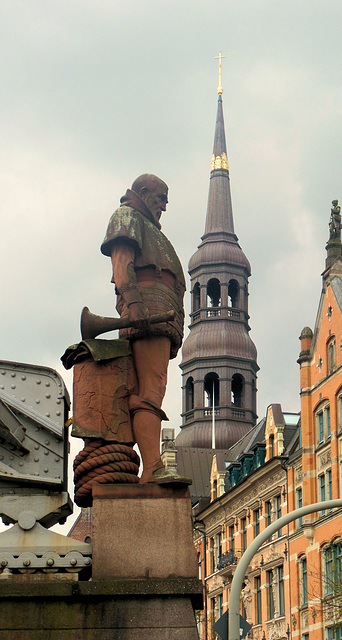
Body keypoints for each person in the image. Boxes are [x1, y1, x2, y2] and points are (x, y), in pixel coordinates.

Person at [101, 174, 186, 483]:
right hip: (148, 311)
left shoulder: (149, 227)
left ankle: (152, 465)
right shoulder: (127, 216)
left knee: (154, 391)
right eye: (160, 197)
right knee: (149, 393)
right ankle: (152, 467)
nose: (164, 204)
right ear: (143, 192)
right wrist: (134, 303)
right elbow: (121, 265)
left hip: (160, 313)